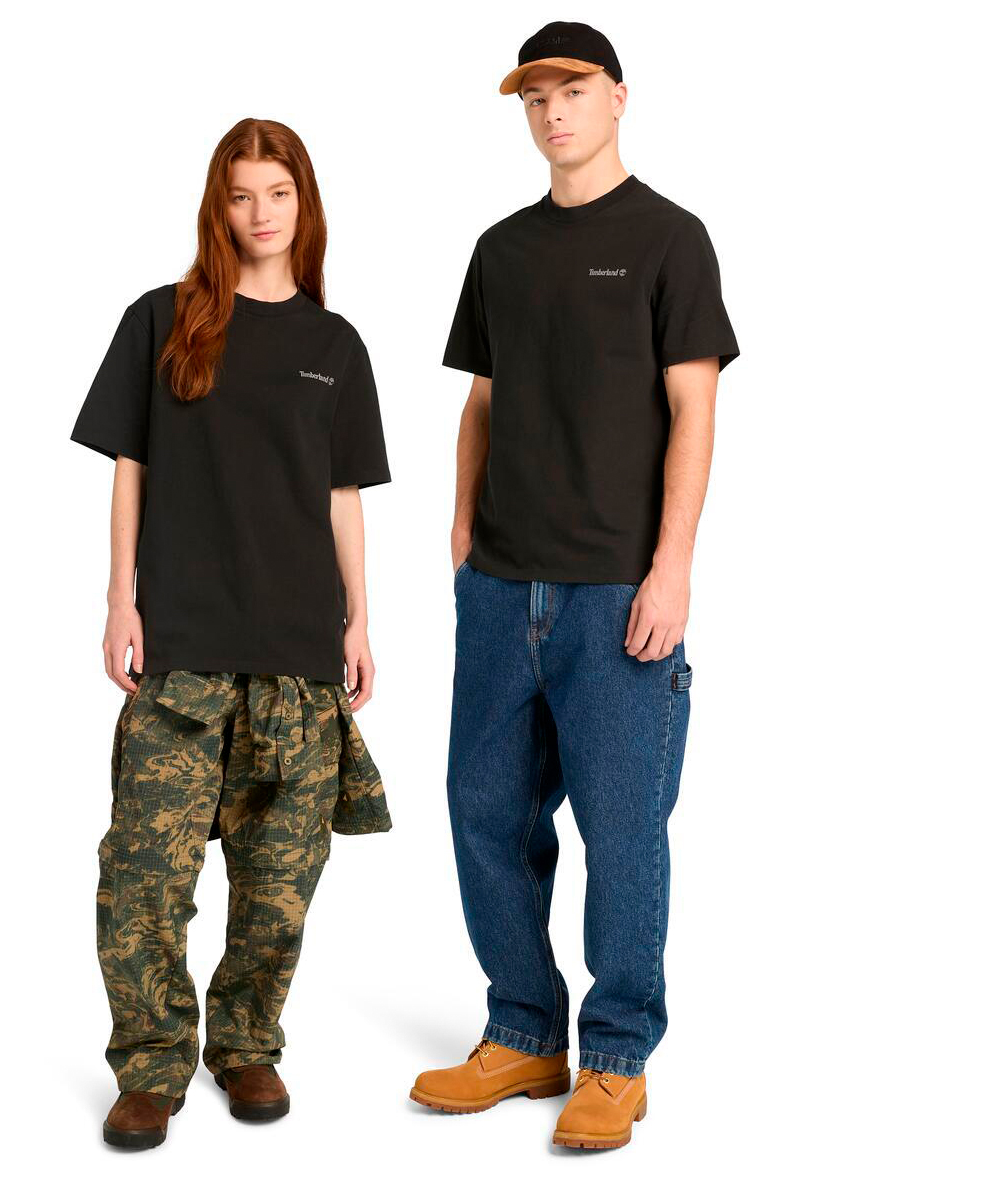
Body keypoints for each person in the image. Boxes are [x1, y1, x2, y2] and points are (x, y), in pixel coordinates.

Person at [409, 22, 739, 1150]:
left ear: (618, 99)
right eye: (535, 96)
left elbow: (694, 408)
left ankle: (615, 1058)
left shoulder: (669, 239)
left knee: (622, 829)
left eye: (574, 90)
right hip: (501, 588)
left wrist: (671, 567)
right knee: (484, 813)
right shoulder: (499, 249)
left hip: (614, 591)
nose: (553, 111)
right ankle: (521, 1031)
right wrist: (462, 530)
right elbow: (481, 402)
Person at [71, 117, 392, 1150]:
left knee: (278, 885)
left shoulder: (335, 346)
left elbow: (342, 494)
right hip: (183, 651)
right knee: (142, 876)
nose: (261, 214)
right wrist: (119, 597)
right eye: (242, 195)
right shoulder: (161, 320)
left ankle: (246, 1043)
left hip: (297, 656)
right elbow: (131, 465)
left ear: (305, 204)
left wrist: (360, 616)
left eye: (278, 194)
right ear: (219, 206)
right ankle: (151, 1063)